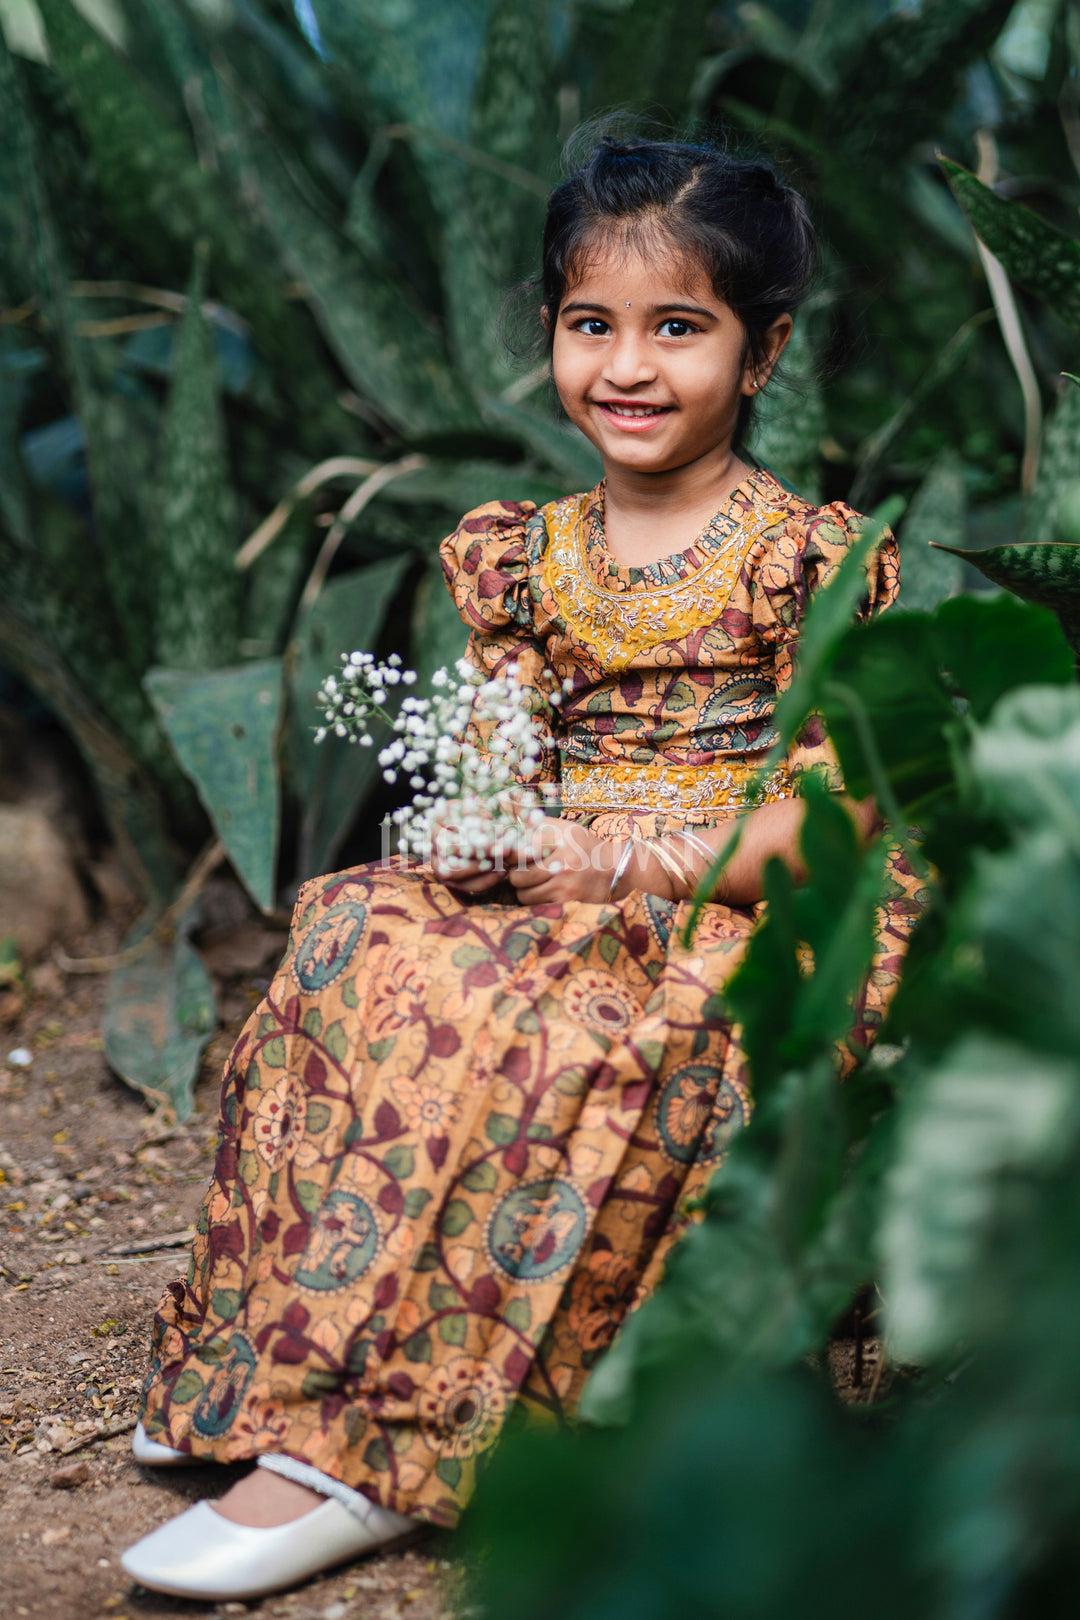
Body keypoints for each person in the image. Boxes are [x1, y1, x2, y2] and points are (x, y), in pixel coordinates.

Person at [120, 136, 921, 1602]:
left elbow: (837, 820)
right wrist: (482, 830)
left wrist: (614, 859)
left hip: (736, 892)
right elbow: (500, 764)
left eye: (679, 327)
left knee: (569, 1028)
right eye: (588, 323)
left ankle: (392, 1446)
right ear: (550, 333)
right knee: (356, 933)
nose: (625, 364)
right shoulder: (517, 555)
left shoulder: (808, 559)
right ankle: (289, 1380)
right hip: (555, 878)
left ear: (765, 353)